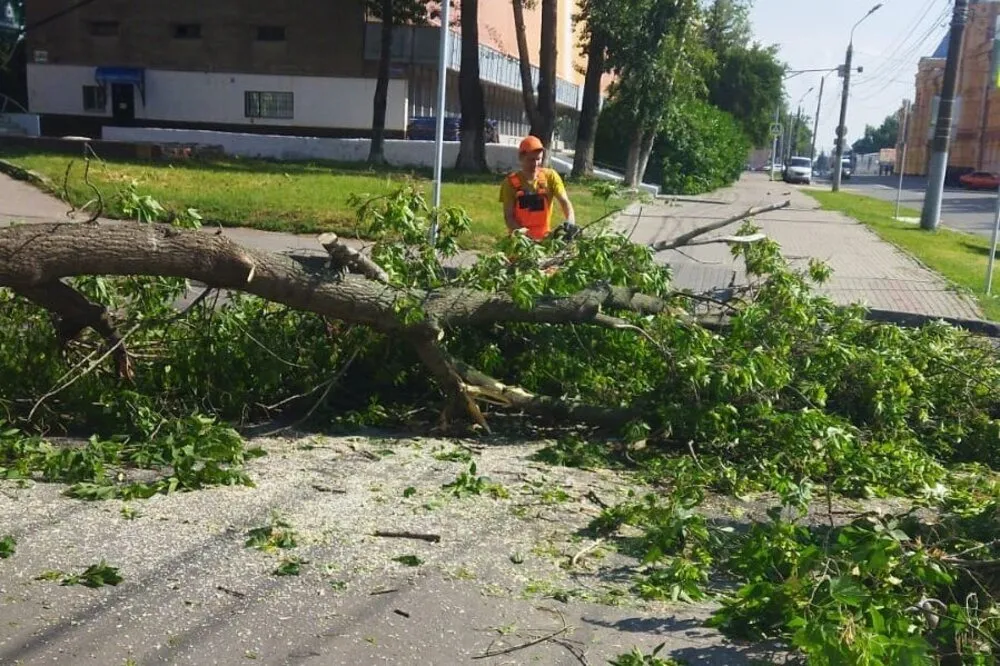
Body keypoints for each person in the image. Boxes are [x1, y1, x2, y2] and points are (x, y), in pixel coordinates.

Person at [499, 135, 577, 241]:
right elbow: (509, 217)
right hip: (520, 242)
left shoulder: (550, 177)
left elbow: (565, 202)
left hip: (545, 241)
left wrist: (570, 221)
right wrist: (526, 239)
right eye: (531, 160)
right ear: (521, 157)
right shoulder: (510, 183)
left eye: (538, 159)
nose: (535, 164)